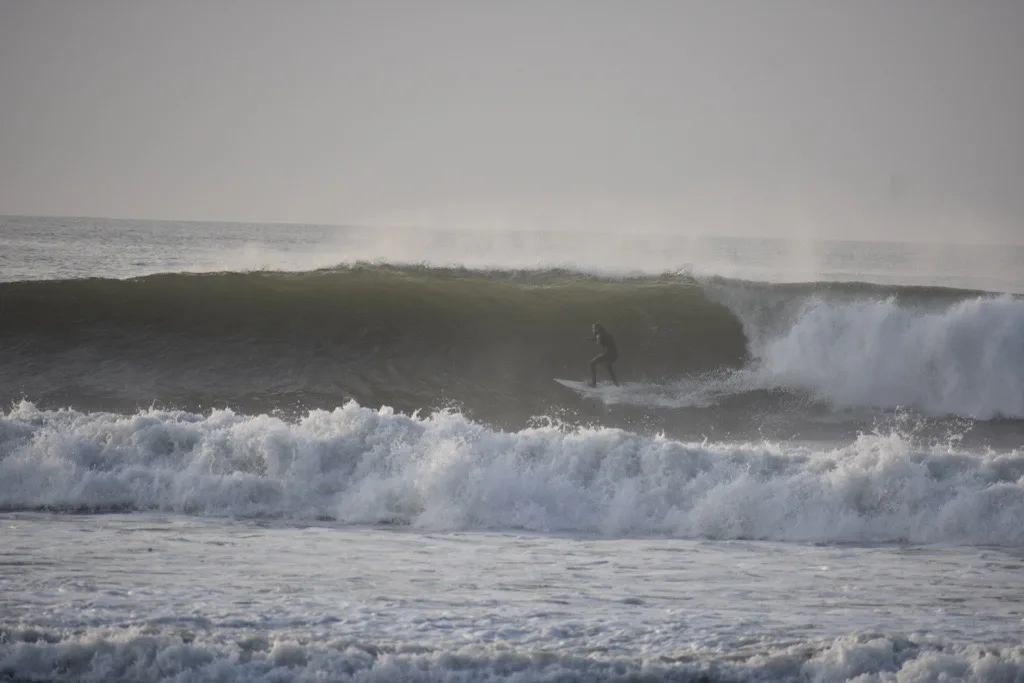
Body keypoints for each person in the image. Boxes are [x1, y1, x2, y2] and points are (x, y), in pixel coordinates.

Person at [589, 322, 619, 387]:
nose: (593, 330)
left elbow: (598, 342)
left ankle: (593, 384)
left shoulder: (600, 334)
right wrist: (593, 339)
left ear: (597, 329)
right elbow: (605, 341)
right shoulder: (607, 333)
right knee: (608, 367)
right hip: (615, 354)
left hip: (608, 353)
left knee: (592, 363)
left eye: (593, 329)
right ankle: (617, 385)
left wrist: (594, 340)